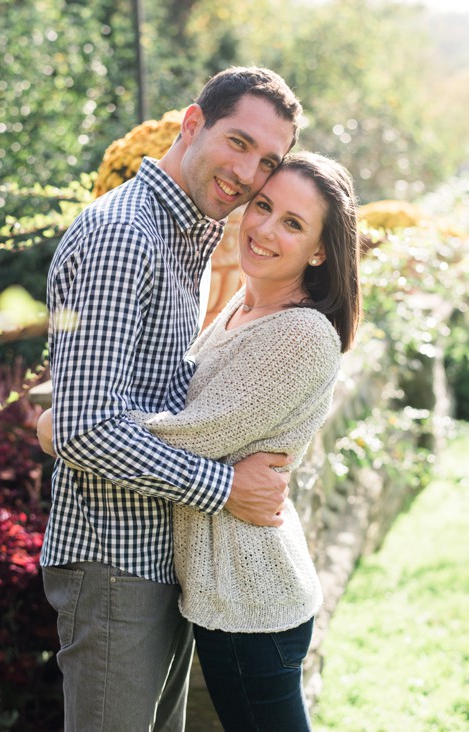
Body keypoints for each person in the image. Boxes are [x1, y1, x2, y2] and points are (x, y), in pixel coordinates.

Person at [42, 152, 362, 730]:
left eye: (293, 223)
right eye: (263, 206)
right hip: (218, 589)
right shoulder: (245, 306)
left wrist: (60, 425)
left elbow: (196, 433)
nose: (264, 228)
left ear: (320, 250)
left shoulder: (302, 332)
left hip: (252, 597)